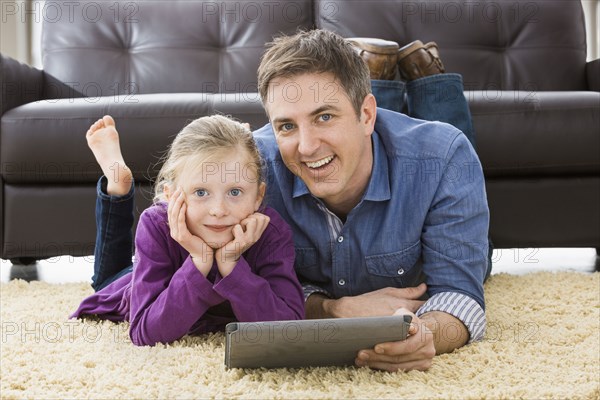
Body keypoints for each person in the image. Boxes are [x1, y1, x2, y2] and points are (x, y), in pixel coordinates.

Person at [253, 29, 491, 372]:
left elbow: (460, 294)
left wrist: (427, 335)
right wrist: (332, 310)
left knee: (481, 257)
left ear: (366, 114)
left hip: (420, 168)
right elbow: (248, 285)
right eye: (287, 126)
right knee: (345, 150)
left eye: (324, 117)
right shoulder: (251, 168)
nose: (305, 146)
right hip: (373, 142)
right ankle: (375, 77)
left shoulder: (443, 157)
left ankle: (426, 80)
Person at [70, 115, 305, 346]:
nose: (218, 210)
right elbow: (144, 333)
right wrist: (200, 262)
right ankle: (118, 187)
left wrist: (230, 265)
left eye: (235, 192)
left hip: (166, 272)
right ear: (172, 196)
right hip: (137, 282)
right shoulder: (157, 224)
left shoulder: (270, 230)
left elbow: (290, 327)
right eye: (201, 192)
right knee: (107, 283)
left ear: (258, 197)